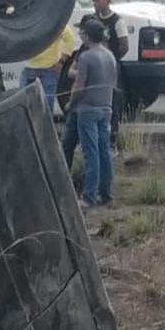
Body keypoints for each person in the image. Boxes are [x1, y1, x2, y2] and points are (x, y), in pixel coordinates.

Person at [69, 18, 118, 208]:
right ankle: (106, 194)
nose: (80, 34)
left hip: (87, 109)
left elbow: (79, 86)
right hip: (106, 107)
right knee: (104, 150)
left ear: (87, 36)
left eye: (82, 32)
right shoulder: (109, 55)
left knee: (91, 153)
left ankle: (89, 196)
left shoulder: (86, 57)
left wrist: (71, 104)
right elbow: (112, 83)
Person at [83, 0, 128, 150]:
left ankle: (112, 139)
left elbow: (124, 46)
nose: (96, 2)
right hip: (94, 64)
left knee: (112, 101)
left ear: (107, 0)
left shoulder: (117, 21)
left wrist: (113, 59)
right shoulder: (93, 19)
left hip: (111, 64)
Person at [21, 24, 75, 119]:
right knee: (30, 105)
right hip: (36, 68)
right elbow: (70, 39)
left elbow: (70, 38)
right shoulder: (51, 21)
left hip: (46, 68)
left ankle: (39, 130)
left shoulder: (50, 21)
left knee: (31, 105)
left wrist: (61, 62)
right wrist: (61, 62)